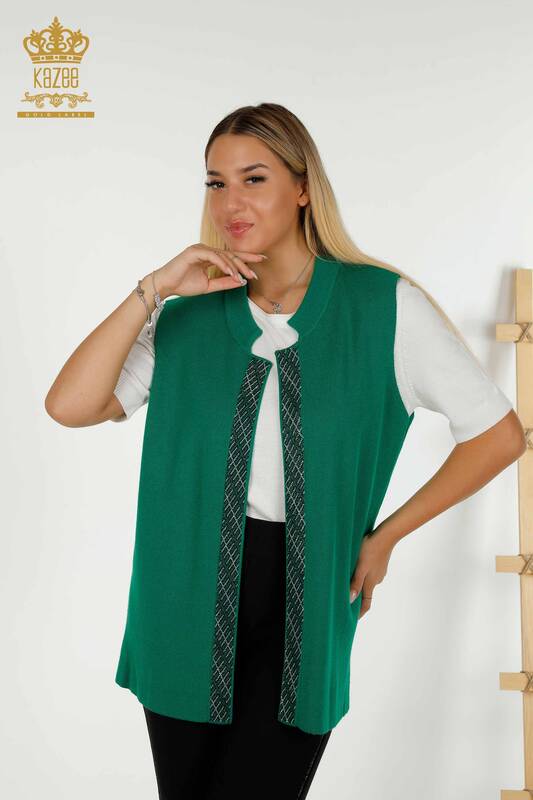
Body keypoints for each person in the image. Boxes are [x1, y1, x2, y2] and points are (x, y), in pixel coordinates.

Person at [45, 102, 526, 799]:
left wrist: (385, 537)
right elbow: (70, 406)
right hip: (183, 593)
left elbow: (497, 434)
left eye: (254, 179)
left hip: (309, 589)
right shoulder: (186, 315)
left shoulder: (382, 306)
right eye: (215, 183)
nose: (230, 203)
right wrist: (154, 289)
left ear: (303, 187)